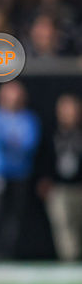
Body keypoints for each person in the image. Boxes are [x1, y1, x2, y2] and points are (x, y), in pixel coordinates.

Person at [0, 81, 41, 259]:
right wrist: (11, 141)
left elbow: (29, 144)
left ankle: (9, 254)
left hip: (19, 174)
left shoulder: (28, 118)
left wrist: (5, 140)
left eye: (17, 95)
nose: (13, 99)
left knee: (14, 217)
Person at [37, 94, 82, 261]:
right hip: (60, 188)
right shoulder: (51, 133)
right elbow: (43, 158)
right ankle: (70, 260)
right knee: (64, 226)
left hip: (79, 186)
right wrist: (45, 180)